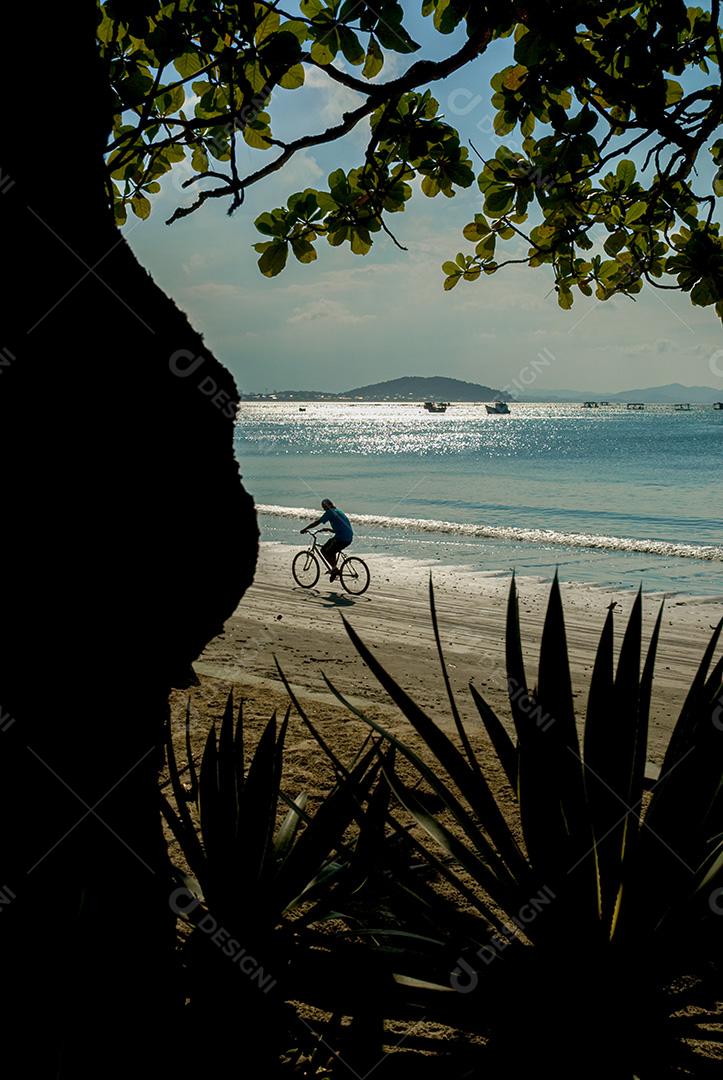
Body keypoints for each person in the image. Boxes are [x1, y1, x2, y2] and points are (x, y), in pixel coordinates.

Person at [301, 498, 353, 581]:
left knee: (324, 550)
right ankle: (334, 569)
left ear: (327, 506)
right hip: (349, 537)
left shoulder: (330, 512)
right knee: (332, 550)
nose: (324, 509)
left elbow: (317, 522)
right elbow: (342, 526)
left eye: (324, 507)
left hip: (341, 538)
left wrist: (305, 529)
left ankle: (334, 569)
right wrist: (330, 530)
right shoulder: (338, 511)